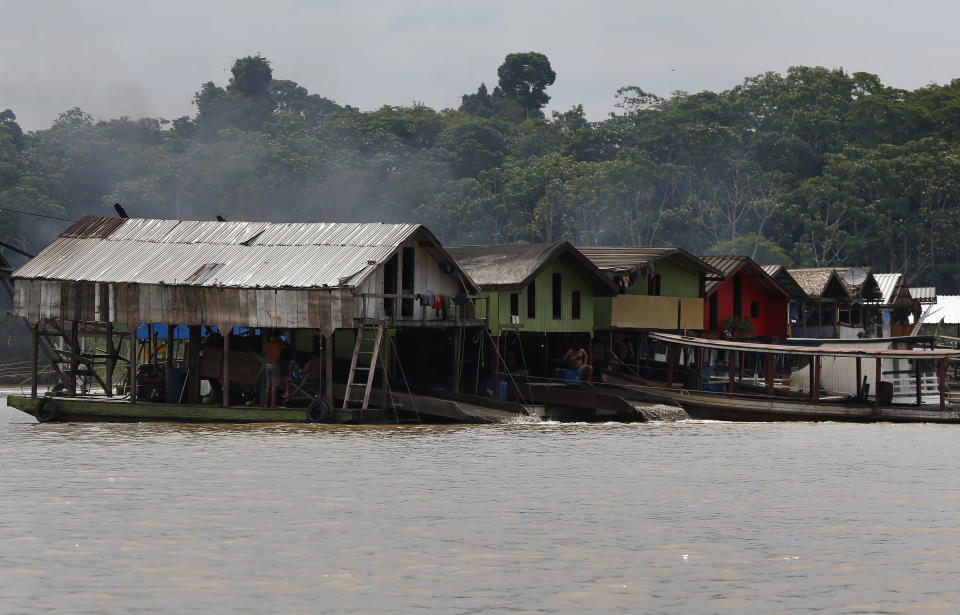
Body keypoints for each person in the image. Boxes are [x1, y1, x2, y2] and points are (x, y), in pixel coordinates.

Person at [265, 331, 284, 408]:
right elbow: (284, 344)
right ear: (277, 336)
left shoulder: (268, 344)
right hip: (275, 365)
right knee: (274, 386)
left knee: (267, 386)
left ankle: (266, 404)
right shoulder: (279, 345)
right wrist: (280, 340)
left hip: (267, 365)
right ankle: (273, 404)